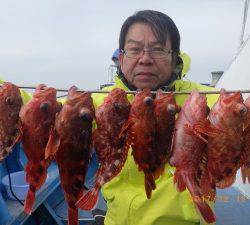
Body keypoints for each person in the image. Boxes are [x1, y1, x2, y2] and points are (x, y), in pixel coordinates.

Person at [92, 10, 218, 225]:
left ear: (174, 57)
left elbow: (234, 116)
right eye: (134, 49)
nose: (145, 59)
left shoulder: (205, 99)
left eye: (158, 50)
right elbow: (40, 111)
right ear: (121, 59)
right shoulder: (102, 102)